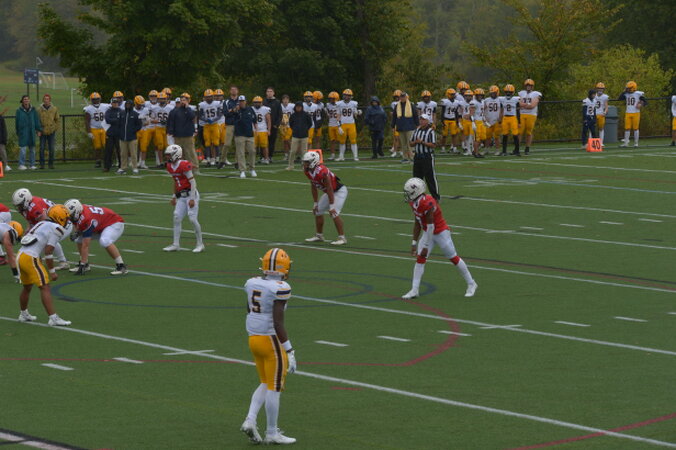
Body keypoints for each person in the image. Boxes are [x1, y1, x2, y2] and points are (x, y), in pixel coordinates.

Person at [240, 247, 296, 445]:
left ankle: (250, 420)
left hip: (254, 339)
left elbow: (249, 309)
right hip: (271, 340)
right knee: (275, 387)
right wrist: (289, 350)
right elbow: (278, 322)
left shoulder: (252, 282)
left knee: (265, 382)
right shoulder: (280, 288)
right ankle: (272, 432)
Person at [402, 177, 477, 299]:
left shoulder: (428, 203)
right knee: (420, 259)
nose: (407, 195)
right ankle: (414, 290)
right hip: (428, 232)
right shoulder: (414, 202)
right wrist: (414, 242)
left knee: (453, 258)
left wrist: (426, 246)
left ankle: (471, 283)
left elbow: (431, 225)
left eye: (409, 192)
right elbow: (417, 222)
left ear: (416, 192)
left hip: (440, 232)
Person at [15, 204, 72, 326]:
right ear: (59, 217)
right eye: (65, 218)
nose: (67, 221)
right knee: (45, 287)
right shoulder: (57, 228)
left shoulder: (41, 223)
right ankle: (53, 318)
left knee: (27, 287)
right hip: (30, 257)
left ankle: (23, 314)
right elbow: (48, 251)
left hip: (20, 255)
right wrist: (52, 271)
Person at [11, 188, 70, 270]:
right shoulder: (27, 206)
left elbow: (45, 223)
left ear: (26, 201)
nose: (18, 207)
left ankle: (63, 261)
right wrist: (29, 230)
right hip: (52, 223)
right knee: (39, 238)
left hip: (63, 223)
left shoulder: (35, 207)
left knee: (48, 240)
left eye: (20, 205)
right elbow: (32, 221)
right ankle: (38, 260)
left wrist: (33, 233)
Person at [64, 199, 128, 275]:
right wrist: (78, 232)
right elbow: (77, 223)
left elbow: (86, 245)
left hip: (114, 223)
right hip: (101, 224)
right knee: (78, 239)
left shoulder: (87, 218)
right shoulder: (80, 212)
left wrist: (82, 265)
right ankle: (86, 264)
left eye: (71, 215)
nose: (69, 217)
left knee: (104, 241)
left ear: (77, 211)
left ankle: (121, 266)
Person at [162, 144, 204, 253]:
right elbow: (176, 181)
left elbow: (192, 182)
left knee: (192, 219)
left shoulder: (183, 165)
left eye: (169, 155)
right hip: (181, 196)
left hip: (191, 194)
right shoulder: (170, 166)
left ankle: (200, 244)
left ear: (176, 154)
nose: (167, 157)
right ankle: (176, 244)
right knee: (176, 217)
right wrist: (174, 196)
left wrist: (192, 198)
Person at [302, 152, 348, 245]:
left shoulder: (322, 172)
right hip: (330, 192)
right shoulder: (308, 171)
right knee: (318, 211)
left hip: (339, 191)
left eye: (307, 162)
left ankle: (342, 238)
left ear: (314, 161)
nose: (305, 164)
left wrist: (332, 206)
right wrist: (315, 203)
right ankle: (319, 236)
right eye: (305, 162)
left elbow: (330, 188)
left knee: (334, 213)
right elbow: (313, 186)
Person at [410, 114, 440, 200]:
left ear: (427, 121)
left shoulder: (431, 132)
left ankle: (435, 196)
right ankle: (417, 196)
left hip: (427, 156)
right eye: (420, 119)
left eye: (423, 120)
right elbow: (411, 143)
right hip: (417, 156)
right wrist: (416, 142)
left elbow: (433, 145)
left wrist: (422, 142)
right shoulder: (416, 130)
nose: (421, 121)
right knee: (416, 178)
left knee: (430, 177)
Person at [391, 92, 419, 163]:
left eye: (403, 97)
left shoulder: (411, 105)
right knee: (403, 144)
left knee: (410, 143)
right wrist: (393, 126)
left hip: (410, 127)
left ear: (406, 97)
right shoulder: (397, 106)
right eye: (401, 97)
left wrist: (417, 125)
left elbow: (415, 115)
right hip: (400, 127)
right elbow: (394, 116)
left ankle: (412, 157)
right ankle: (405, 157)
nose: (402, 98)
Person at [233, 95, 257, 178]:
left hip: (249, 134)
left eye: (243, 101)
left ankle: (252, 168)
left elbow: (254, 120)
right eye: (240, 101)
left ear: (245, 101)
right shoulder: (236, 110)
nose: (241, 103)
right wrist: (235, 110)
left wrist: (256, 129)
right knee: (240, 153)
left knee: (252, 151)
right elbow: (230, 115)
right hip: (239, 134)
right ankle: (242, 170)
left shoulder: (250, 109)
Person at [15, 95, 42, 170]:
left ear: (29, 100)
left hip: (31, 132)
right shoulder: (19, 111)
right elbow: (17, 122)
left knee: (32, 149)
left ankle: (32, 164)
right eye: (24, 99)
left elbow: (36, 120)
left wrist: (38, 130)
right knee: (23, 149)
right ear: (22, 101)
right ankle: (21, 164)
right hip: (23, 132)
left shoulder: (33, 110)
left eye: (27, 99)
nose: (26, 100)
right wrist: (18, 131)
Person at [117, 97, 143, 175]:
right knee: (123, 154)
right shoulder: (122, 113)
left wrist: (133, 131)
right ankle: (123, 167)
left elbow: (139, 125)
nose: (127, 105)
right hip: (122, 137)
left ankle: (135, 167)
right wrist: (120, 132)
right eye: (126, 104)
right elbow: (118, 124)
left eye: (129, 104)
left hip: (132, 138)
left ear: (132, 105)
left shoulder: (135, 114)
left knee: (133, 154)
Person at [618, 81, 647, 148]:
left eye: (629, 88)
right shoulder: (626, 94)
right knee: (627, 128)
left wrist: (641, 104)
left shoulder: (638, 94)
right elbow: (619, 98)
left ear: (633, 88)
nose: (627, 89)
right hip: (628, 112)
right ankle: (626, 143)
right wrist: (624, 91)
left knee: (635, 128)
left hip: (636, 113)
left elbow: (645, 102)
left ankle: (636, 143)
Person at [335, 89, 361, 161]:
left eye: (348, 95)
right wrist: (339, 126)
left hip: (351, 124)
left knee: (353, 141)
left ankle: (355, 156)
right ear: (343, 96)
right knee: (342, 141)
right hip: (343, 124)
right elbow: (338, 115)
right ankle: (341, 156)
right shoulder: (339, 104)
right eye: (346, 95)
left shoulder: (354, 103)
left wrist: (358, 113)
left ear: (351, 96)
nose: (347, 97)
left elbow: (355, 114)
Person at [198, 89, 222, 167]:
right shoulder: (202, 104)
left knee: (216, 142)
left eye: (210, 96)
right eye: (207, 97)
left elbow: (219, 115)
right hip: (206, 126)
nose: (208, 98)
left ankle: (217, 159)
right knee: (207, 143)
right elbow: (200, 116)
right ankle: (208, 160)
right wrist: (206, 120)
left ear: (212, 96)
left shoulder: (217, 103)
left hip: (215, 125)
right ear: (205, 97)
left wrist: (214, 120)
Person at [150, 91, 174, 167]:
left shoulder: (171, 107)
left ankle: (168, 161)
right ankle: (160, 162)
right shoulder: (154, 108)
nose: (161, 100)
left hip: (167, 128)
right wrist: (159, 121)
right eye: (160, 99)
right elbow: (151, 119)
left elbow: (174, 119)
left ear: (166, 99)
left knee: (168, 146)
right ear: (157, 99)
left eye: (163, 99)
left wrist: (168, 122)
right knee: (160, 145)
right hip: (158, 128)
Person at [218, 85, 240, 168]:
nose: (234, 91)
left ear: (237, 91)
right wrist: (234, 110)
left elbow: (242, 112)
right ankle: (222, 160)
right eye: (232, 90)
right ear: (230, 91)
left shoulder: (241, 100)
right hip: (230, 124)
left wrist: (232, 111)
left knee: (238, 144)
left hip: (239, 124)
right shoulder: (226, 101)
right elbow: (225, 113)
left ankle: (237, 161)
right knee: (227, 144)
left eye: (235, 89)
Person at [518, 79, 541, 155]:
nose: (528, 87)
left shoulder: (536, 94)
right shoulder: (521, 93)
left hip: (531, 115)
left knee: (529, 132)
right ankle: (517, 148)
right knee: (519, 131)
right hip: (522, 114)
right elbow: (519, 104)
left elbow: (532, 106)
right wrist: (527, 105)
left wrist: (524, 105)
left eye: (530, 85)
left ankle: (527, 148)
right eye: (527, 85)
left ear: (532, 86)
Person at [287, 101, 312, 170]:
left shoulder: (306, 115)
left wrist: (305, 129)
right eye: (297, 107)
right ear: (295, 107)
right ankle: (290, 165)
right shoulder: (293, 115)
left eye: (299, 107)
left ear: (302, 107)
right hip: (295, 136)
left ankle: (304, 166)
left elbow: (310, 123)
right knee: (293, 151)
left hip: (304, 136)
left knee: (304, 152)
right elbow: (291, 124)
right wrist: (295, 129)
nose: (298, 108)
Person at [37, 94, 60, 169]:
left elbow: (57, 119)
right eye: (45, 99)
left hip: (51, 131)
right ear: (43, 100)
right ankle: (42, 164)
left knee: (51, 148)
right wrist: (38, 130)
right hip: (42, 131)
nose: (46, 100)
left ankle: (51, 164)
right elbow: (37, 121)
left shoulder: (54, 109)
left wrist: (55, 128)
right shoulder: (39, 110)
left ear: (50, 100)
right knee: (42, 148)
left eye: (47, 99)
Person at [499, 84, 521, 156]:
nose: (508, 93)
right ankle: (504, 151)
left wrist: (519, 122)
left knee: (515, 135)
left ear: (513, 92)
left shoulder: (516, 99)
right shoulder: (502, 99)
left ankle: (517, 151)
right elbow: (501, 110)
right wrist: (500, 120)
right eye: (507, 92)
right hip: (505, 118)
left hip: (513, 118)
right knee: (505, 135)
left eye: (510, 92)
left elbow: (518, 111)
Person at [103, 98, 123, 172]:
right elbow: (107, 120)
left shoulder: (121, 111)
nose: (115, 104)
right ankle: (107, 166)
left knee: (120, 150)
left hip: (119, 134)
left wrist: (114, 120)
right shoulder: (108, 111)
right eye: (114, 102)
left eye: (117, 102)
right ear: (111, 103)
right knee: (108, 150)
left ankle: (121, 166)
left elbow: (122, 120)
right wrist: (117, 120)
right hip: (110, 134)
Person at [263, 87, 282, 160]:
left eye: (271, 91)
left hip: (273, 125)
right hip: (264, 126)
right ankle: (263, 156)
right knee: (263, 142)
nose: (269, 93)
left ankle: (270, 156)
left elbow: (280, 114)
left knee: (272, 142)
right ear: (266, 93)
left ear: (273, 93)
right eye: (268, 91)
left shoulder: (277, 102)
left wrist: (276, 124)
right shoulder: (264, 102)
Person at [439, 88, 460, 154]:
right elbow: (442, 111)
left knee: (454, 134)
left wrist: (457, 121)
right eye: (451, 94)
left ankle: (454, 148)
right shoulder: (445, 101)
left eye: (453, 94)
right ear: (448, 94)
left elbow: (456, 112)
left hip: (453, 120)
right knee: (444, 135)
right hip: (446, 119)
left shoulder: (456, 102)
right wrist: (442, 120)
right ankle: (443, 148)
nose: (453, 96)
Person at [252, 96, 272, 164]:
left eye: (258, 102)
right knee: (253, 147)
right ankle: (252, 160)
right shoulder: (251, 109)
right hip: (254, 130)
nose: (257, 104)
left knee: (264, 146)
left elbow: (269, 120)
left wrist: (269, 130)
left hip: (263, 130)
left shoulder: (265, 109)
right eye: (255, 102)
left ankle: (266, 158)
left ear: (261, 102)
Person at [484, 86, 502, 156]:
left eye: (494, 93)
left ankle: (497, 150)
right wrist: (484, 118)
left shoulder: (500, 100)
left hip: (497, 120)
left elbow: (502, 110)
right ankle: (486, 149)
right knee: (487, 136)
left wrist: (500, 118)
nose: (493, 94)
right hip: (488, 121)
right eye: (491, 93)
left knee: (496, 136)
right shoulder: (486, 100)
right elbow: (483, 109)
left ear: (497, 92)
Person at [135, 95, 152, 169]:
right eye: (139, 104)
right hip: (136, 130)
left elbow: (148, 122)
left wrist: (142, 122)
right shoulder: (133, 110)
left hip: (144, 130)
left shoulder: (145, 110)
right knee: (134, 146)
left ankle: (142, 162)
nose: (140, 105)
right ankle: (134, 162)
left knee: (144, 147)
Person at [470, 88, 487, 157]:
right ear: (476, 95)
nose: (480, 96)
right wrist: (473, 122)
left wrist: (484, 120)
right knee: (477, 139)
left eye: (481, 95)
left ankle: (475, 151)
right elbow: (471, 113)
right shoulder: (473, 102)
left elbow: (482, 112)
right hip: (476, 122)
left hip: (481, 122)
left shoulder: (482, 102)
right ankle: (476, 153)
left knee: (483, 137)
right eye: (478, 95)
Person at [325, 91, 341, 160]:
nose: (331, 100)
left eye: (332, 98)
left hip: (338, 125)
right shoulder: (328, 105)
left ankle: (341, 154)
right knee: (332, 140)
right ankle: (332, 155)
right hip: (331, 124)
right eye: (330, 98)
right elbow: (327, 114)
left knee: (340, 140)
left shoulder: (340, 105)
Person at [594, 82, 609, 147]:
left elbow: (606, 106)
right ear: (597, 89)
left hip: (601, 114)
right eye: (599, 88)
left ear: (603, 89)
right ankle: (591, 142)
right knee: (592, 128)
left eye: (601, 88)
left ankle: (601, 142)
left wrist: (605, 112)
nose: (600, 90)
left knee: (601, 128)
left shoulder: (605, 97)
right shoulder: (593, 95)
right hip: (594, 114)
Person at [279, 95, 294, 160]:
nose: (285, 101)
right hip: (282, 126)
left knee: (287, 139)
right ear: (282, 100)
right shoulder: (279, 106)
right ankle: (286, 155)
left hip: (290, 125)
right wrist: (280, 121)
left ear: (288, 100)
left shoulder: (292, 106)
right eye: (284, 99)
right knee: (284, 141)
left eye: (286, 99)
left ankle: (292, 152)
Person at [390, 90, 402, 157]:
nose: (397, 98)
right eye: (396, 97)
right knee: (396, 138)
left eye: (398, 96)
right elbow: (392, 114)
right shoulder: (393, 104)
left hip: (403, 122)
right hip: (396, 122)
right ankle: (395, 151)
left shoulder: (404, 103)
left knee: (402, 138)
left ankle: (401, 151)